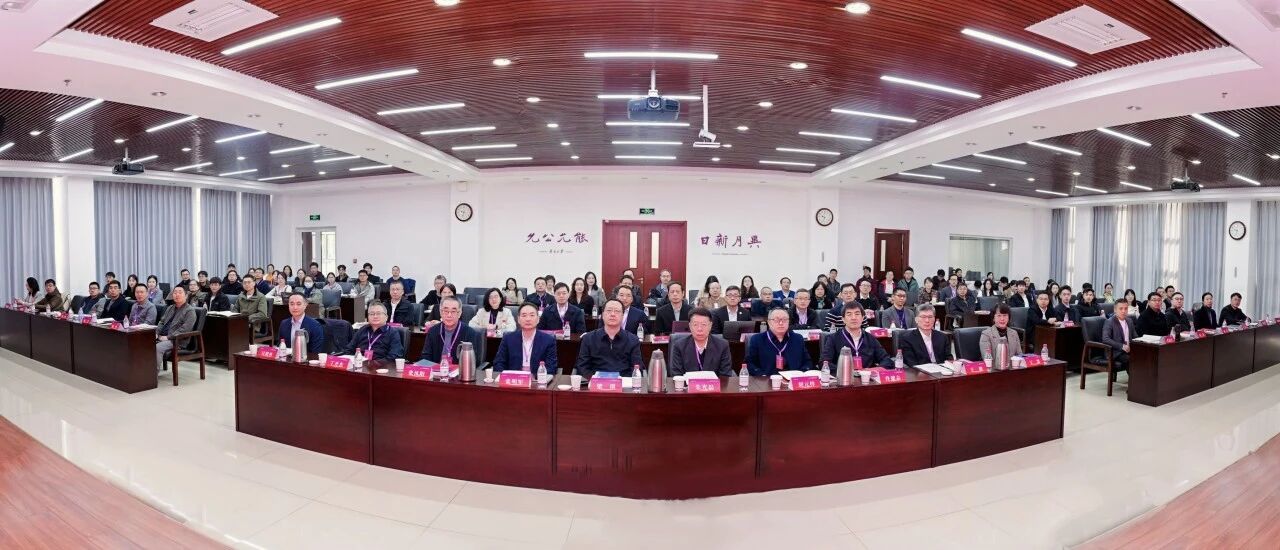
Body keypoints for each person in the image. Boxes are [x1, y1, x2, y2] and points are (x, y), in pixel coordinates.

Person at [575, 298, 642, 378]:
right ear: (602, 315)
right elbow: (582, 367)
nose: (612, 314)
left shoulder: (633, 340)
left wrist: (621, 381)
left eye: (617, 311)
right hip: (595, 382)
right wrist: (595, 380)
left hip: (623, 383)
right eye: (609, 310)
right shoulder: (588, 338)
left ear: (622, 316)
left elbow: (636, 368)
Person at [820, 302, 893, 367]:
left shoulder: (870, 338)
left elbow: (887, 360)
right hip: (843, 376)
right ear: (843, 319)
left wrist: (872, 371)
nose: (854, 318)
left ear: (863, 318)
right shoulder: (833, 338)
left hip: (866, 376)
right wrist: (846, 371)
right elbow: (824, 363)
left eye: (857, 314)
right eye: (849, 314)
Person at [667, 308, 735, 377]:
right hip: (687, 384)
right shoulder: (679, 346)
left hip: (714, 384)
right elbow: (677, 374)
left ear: (710, 325)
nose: (699, 329)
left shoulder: (722, 346)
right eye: (695, 325)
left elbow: (725, 375)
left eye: (704, 324)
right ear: (690, 326)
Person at [745, 308, 812, 376]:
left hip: (793, 379)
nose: (781, 323)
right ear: (769, 322)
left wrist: (801, 374)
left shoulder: (797, 338)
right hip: (767, 379)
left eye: (784, 319)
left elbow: (807, 361)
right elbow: (749, 363)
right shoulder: (757, 339)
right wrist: (762, 375)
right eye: (776, 320)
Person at [493, 303, 558, 373]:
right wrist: (507, 376)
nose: (528, 319)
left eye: (532, 315)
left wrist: (536, 377)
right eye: (524, 315)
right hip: (513, 378)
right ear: (518, 319)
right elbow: (498, 363)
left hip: (537, 378)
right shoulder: (508, 338)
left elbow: (551, 367)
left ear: (538, 319)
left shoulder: (548, 340)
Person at [420, 296, 482, 364]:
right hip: (436, 370)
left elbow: (473, 362)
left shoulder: (470, 333)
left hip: (459, 370)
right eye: (446, 311)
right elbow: (425, 357)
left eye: (453, 311)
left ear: (459, 313)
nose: (449, 315)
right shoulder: (433, 331)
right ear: (440, 312)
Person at [153, 285, 198, 370]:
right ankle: (143, 372)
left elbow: (185, 329)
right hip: (162, 336)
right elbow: (162, 322)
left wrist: (168, 337)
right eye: (175, 292)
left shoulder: (190, 311)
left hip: (177, 341)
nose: (177, 295)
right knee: (144, 343)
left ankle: (153, 374)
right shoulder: (170, 308)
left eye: (180, 292)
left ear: (186, 295)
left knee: (157, 348)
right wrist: (157, 333)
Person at [1103, 300, 1137, 372]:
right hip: (1116, 352)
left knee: (1144, 356)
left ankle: (1143, 377)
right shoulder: (1109, 322)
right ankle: (1135, 379)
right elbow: (1105, 339)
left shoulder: (1129, 321)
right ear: (1115, 310)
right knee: (1131, 359)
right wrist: (1122, 346)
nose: (1123, 311)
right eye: (1121, 309)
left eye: (1126, 308)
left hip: (1129, 349)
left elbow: (1135, 336)